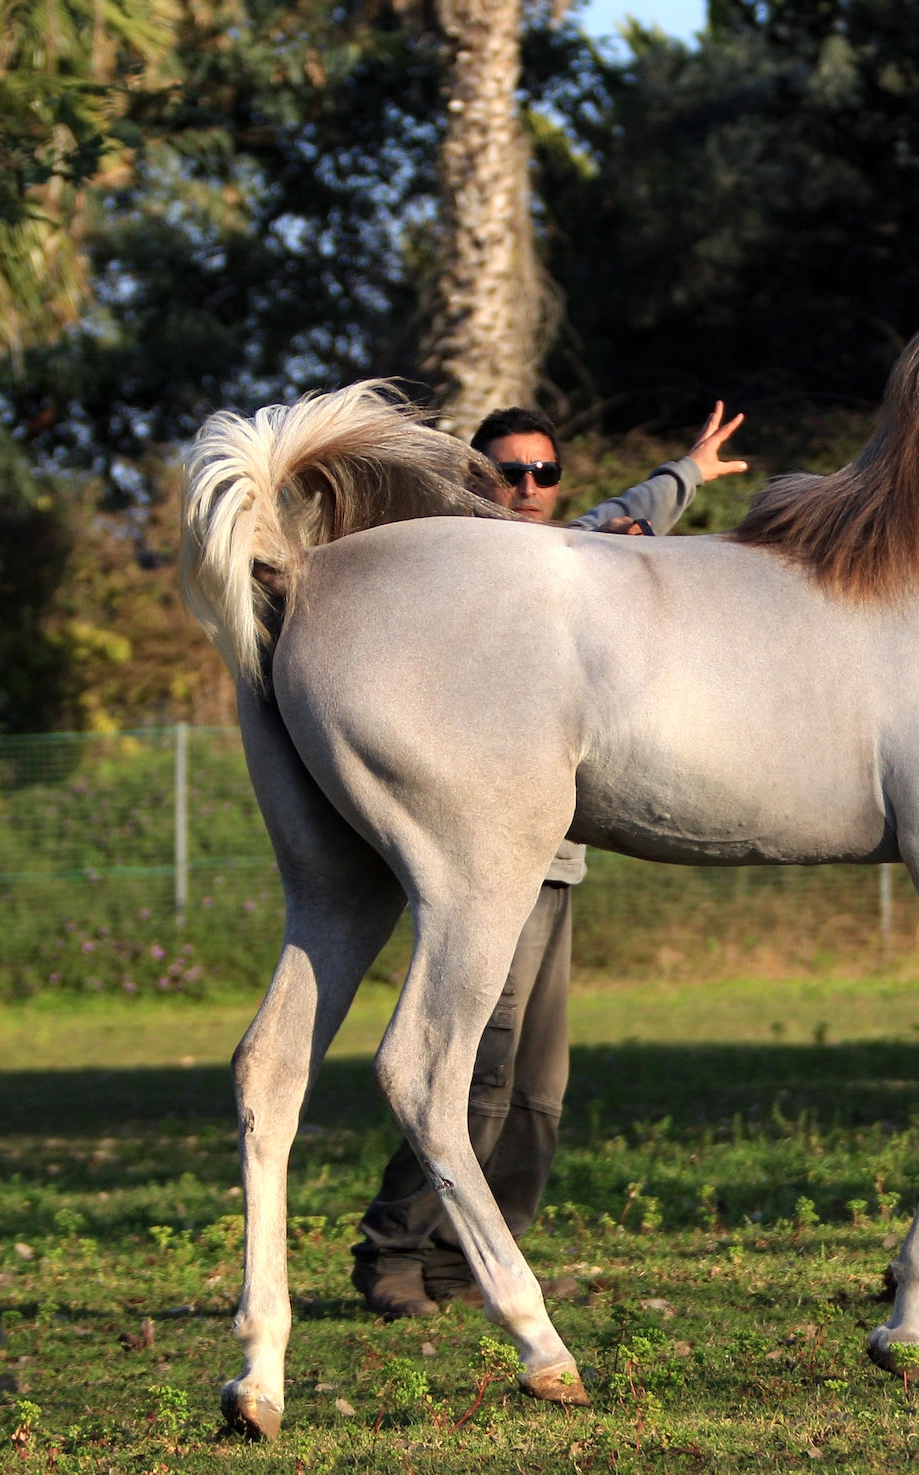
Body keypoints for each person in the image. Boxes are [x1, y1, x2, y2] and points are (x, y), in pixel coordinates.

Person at [350, 401, 748, 1318]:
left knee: (537, 1092)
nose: (527, 486)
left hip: (557, 863)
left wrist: (688, 470)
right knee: (476, 1073)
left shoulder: (567, 556)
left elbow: (623, 518)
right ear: (472, 478)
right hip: (486, 865)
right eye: (507, 470)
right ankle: (392, 1252)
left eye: (543, 471)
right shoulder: (450, 567)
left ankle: (471, 1262)